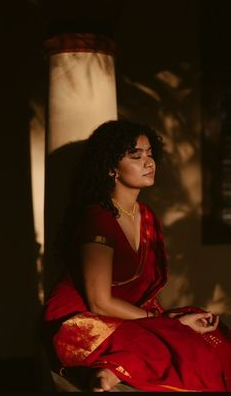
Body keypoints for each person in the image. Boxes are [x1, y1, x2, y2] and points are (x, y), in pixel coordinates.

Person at [43, 119, 231, 392]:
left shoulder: (146, 216)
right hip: (84, 320)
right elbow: (99, 302)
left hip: (123, 315)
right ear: (111, 169)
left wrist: (171, 319)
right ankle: (110, 373)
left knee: (203, 326)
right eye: (136, 156)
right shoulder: (99, 219)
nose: (149, 162)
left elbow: (145, 294)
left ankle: (114, 368)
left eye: (150, 153)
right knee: (175, 338)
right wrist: (164, 323)